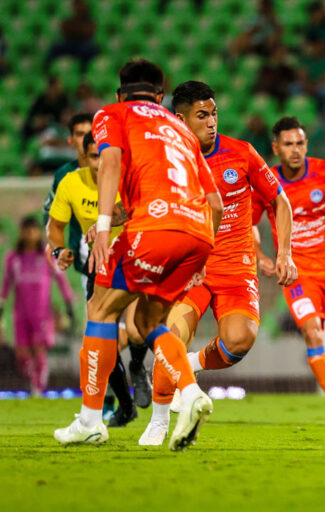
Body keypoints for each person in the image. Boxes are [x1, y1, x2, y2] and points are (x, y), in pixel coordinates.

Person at [53, 59, 223, 451]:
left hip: (154, 227)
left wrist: (101, 226)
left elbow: (109, 160)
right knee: (148, 320)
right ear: (160, 97)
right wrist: (201, 257)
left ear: (120, 94)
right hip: (197, 235)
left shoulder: (112, 114)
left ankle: (90, 421)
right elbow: (214, 203)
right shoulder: (180, 128)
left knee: (100, 308)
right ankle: (193, 392)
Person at [138, 81, 296, 446]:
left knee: (238, 342)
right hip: (190, 268)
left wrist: (284, 252)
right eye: (202, 115)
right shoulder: (167, 161)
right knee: (172, 336)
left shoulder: (241, 153)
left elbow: (280, 201)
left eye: (214, 113)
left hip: (235, 268)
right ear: (180, 119)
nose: (212, 122)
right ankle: (159, 420)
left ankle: (190, 366)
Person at [253, 117, 325, 426]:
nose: (296, 150)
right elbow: (247, 222)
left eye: (300, 143)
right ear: (276, 148)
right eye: (288, 144)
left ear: (306, 144)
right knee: (311, 330)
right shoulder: (267, 183)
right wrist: (259, 256)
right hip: (297, 274)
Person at [47, 133, 142, 427]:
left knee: (140, 332)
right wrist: (58, 250)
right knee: (104, 341)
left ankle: (138, 367)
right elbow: (55, 226)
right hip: (99, 268)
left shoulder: (128, 178)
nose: (100, 164)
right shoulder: (70, 183)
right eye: (93, 157)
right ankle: (125, 407)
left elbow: (141, 210)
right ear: (83, 157)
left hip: (137, 259)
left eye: (104, 156)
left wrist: (107, 223)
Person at [0, 216, 75, 396]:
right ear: (22, 232)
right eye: (27, 230)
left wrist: (68, 304)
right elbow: (6, 285)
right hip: (20, 313)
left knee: (39, 349)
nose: (30, 234)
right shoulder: (13, 258)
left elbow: (61, 280)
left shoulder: (48, 256)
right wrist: (2, 307)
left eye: (33, 230)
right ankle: (32, 381)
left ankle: (38, 388)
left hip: (42, 313)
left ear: (39, 232)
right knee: (22, 354)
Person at [45, 0, 100, 72]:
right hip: (68, 43)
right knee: (55, 47)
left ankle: (84, 73)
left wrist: (75, 29)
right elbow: (64, 29)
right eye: (75, 5)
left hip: (82, 44)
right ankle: (49, 72)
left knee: (91, 49)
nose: (77, 7)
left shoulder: (88, 18)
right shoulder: (68, 16)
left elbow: (89, 32)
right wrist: (78, 29)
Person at [22, 77, 70, 149]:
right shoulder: (40, 100)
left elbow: (66, 117)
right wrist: (38, 121)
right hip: (41, 131)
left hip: (57, 129)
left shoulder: (63, 100)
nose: (56, 91)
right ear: (49, 87)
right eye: (54, 88)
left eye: (58, 88)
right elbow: (31, 119)